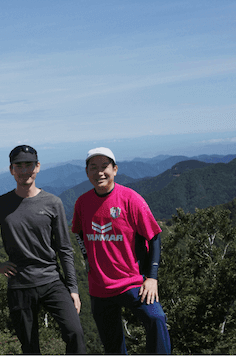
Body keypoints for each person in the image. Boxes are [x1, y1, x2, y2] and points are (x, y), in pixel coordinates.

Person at [0, 145, 86, 354]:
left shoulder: (52, 203)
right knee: (30, 347)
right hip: (20, 284)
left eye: (29, 165)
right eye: (19, 166)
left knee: (75, 333)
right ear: (12, 169)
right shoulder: (1, 204)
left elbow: (64, 248)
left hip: (52, 280)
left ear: (38, 166)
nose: (24, 170)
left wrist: (73, 289)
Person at [71, 147, 171, 354]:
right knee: (112, 344)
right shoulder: (82, 203)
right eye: (93, 167)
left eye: (104, 166)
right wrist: (87, 258)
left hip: (132, 281)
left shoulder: (131, 199)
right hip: (99, 286)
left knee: (156, 318)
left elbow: (154, 237)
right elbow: (79, 233)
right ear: (87, 172)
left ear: (115, 169)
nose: (99, 172)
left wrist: (152, 277)